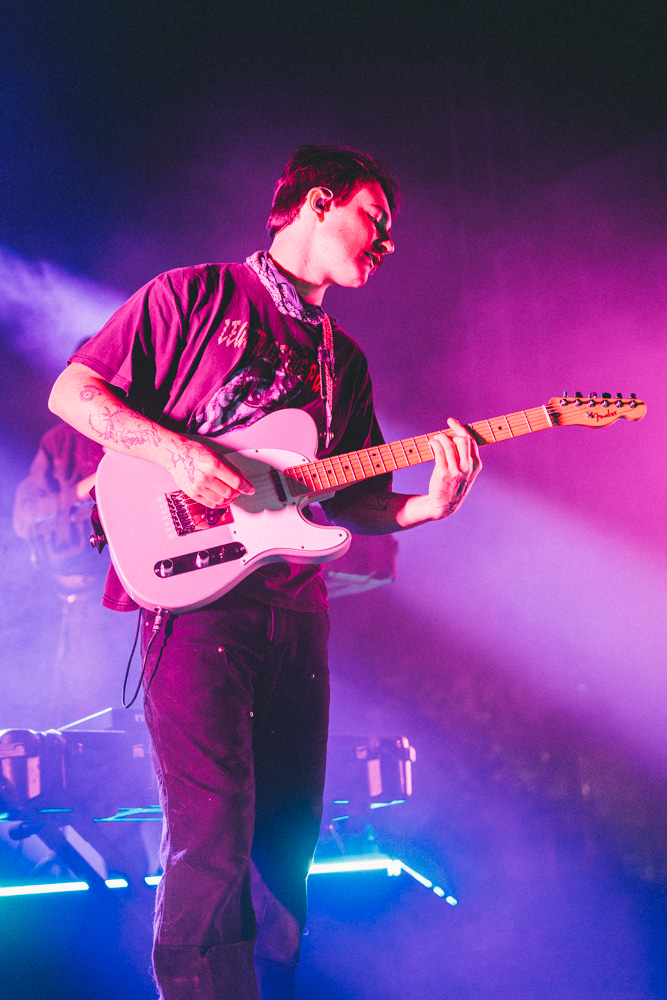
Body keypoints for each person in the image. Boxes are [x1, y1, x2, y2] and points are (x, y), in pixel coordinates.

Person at [48, 145, 482, 1000]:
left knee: (287, 838)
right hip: (192, 599)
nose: (386, 242)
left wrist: (428, 507)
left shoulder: (342, 362)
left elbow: (353, 501)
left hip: (294, 610)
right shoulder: (193, 296)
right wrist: (174, 452)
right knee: (211, 830)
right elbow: (76, 392)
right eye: (374, 217)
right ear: (317, 203)